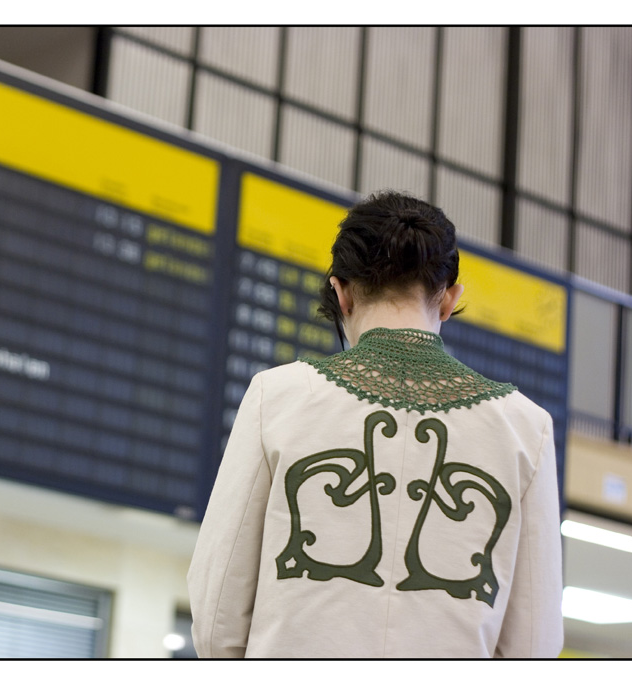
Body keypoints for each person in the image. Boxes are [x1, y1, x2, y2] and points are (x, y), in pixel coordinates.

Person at [187, 190, 563, 658]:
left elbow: (218, 615)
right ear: (448, 299)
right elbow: (534, 643)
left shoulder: (276, 396)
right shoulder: (529, 428)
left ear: (340, 292)